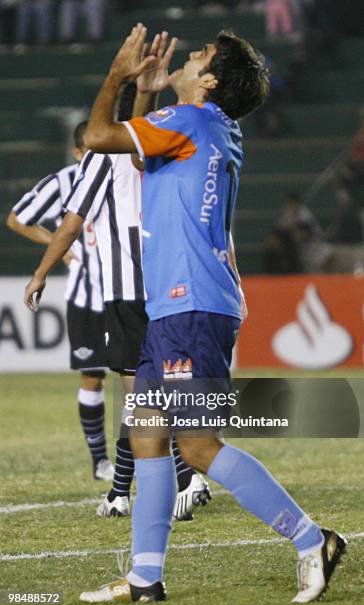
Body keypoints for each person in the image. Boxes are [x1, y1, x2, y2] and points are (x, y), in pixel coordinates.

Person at [25, 25, 347, 605]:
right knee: (148, 436)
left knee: (195, 446)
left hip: (189, 305)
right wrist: (147, 93)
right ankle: (146, 578)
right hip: (179, 304)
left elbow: (99, 137)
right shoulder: (209, 128)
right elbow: (139, 165)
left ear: (211, 80)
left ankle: (311, 538)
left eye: (199, 55)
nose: (189, 55)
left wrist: (119, 77)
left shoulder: (191, 122)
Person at [22, 50, 211, 520]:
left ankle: (154, 485)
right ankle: (145, 486)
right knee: (165, 390)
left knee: (141, 398)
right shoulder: (168, 149)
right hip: (172, 285)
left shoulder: (100, 162)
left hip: (127, 294)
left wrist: (42, 271)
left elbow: (69, 225)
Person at [8, 122, 114, 481]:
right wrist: (59, 246)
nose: (97, 156)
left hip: (127, 293)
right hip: (86, 297)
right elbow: (17, 219)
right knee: (93, 377)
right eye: (90, 150)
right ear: (77, 153)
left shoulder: (124, 175)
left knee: (144, 380)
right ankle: (101, 461)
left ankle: (164, 461)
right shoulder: (62, 182)